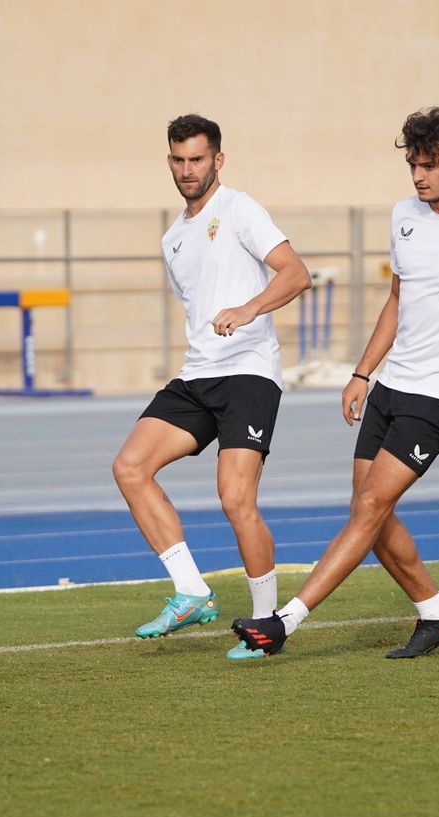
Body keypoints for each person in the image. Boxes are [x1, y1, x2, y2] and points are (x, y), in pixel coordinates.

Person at [231, 107, 439, 658]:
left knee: (370, 506)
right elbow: (396, 300)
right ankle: (437, 615)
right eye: (412, 165)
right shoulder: (403, 215)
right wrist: (362, 373)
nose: (417, 176)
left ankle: (284, 622)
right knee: (369, 510)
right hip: (392, 386)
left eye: (428, 165)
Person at [111, 114, 311, 660]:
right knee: (130, 467)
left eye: (197, 159)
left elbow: (295, 273)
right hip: (197, 375)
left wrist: (249, 309)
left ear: (217, 160)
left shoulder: (240, 209)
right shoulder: (173, 238)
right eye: (178, 160)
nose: (187, 170)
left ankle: (266, 623)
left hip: (248, 373)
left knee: (235, 499)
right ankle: (192, 591)